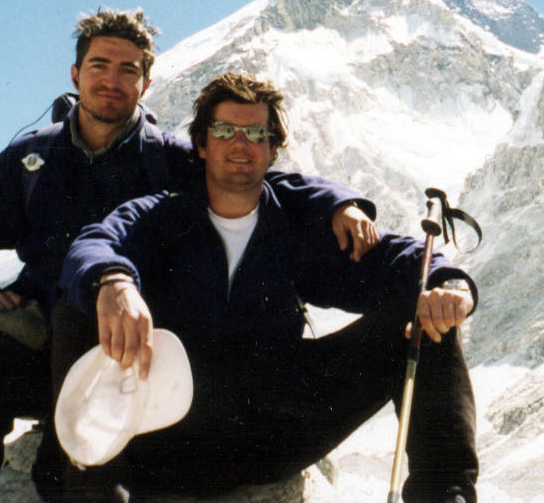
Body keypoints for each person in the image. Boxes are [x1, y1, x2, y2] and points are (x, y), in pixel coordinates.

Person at [0, 11, 380, 502]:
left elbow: (254, 177)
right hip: (43, 333)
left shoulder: (172, 160)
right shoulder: (33, 158)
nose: (112, 81)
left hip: (135, 347)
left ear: (146, 82)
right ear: (75, 74)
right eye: (99, 65)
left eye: (128, 70)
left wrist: (337, 201)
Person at [55, 72, 480, 502]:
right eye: (224, 131)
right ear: (202, 145)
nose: (240, 144)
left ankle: (445, 495)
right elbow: (97, 243)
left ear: (272, 150)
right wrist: (114, 281)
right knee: (85, 301)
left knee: (424, 319)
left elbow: (399, 259)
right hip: (175, 436)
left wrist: (451, 285)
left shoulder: (294, 226)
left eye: (256, 133)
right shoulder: (162, 218)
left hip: (276, 429)